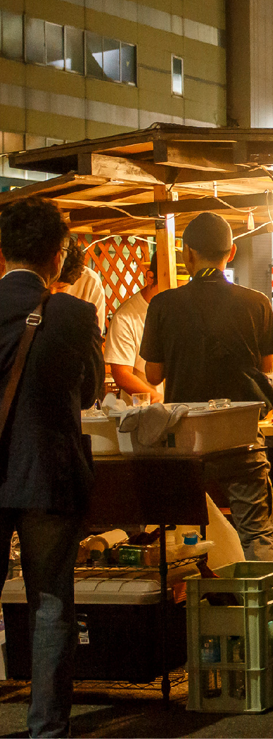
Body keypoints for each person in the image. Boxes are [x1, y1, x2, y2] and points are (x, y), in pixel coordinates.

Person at [0, 198, 104, 737]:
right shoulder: (74, 314)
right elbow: (90, 393)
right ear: (59, 255)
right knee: (49, 602)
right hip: (47, 474)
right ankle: (48, 730)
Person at [140, 212, 273, 562]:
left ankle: (197, 611)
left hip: (186, 440)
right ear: (230, 253)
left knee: (184, 539)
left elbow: (153, 375)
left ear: (187, 254)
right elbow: (266, 368)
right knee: (257, 536)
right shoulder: (257, 303)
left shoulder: (163, 304)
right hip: (241, 435)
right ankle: (261, 612)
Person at [104, 255, 161, 399]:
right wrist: (156, 397)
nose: (175, 292)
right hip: (144, 413)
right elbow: (122, 373)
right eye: (169, 285)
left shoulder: (181, 311)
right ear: (150, 278)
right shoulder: (125, 318)